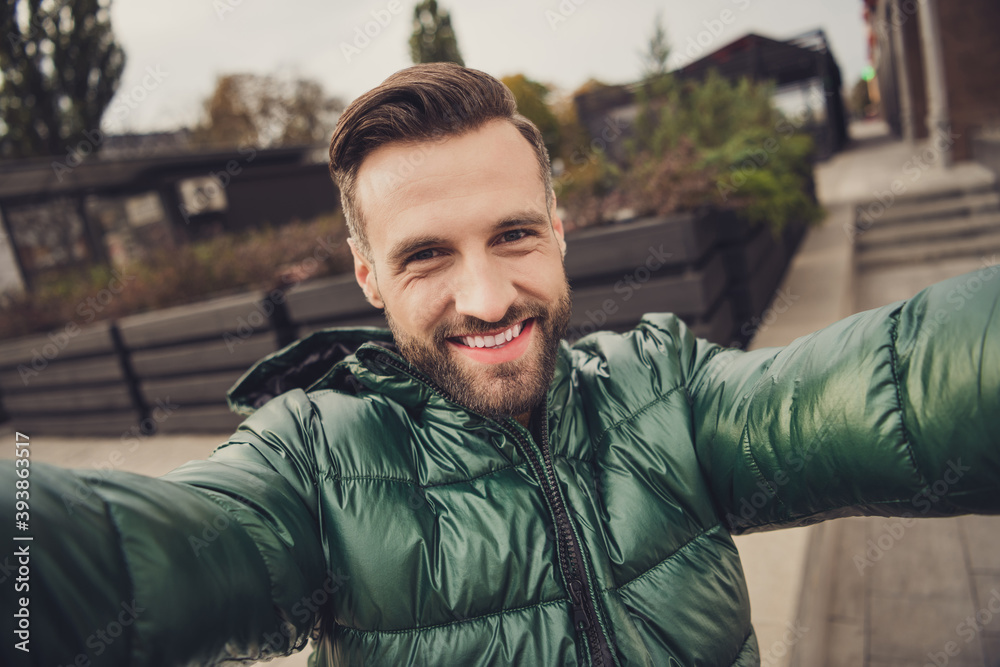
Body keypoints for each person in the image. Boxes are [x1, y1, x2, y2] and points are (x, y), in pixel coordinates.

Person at [2, 62, 999, 667]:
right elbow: (123, 560)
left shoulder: (664, 389)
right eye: (426, 253)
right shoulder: (313, 469)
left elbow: (902, 390)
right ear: (367, 276)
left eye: (513, 234)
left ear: (559, 234)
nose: (485, 299)